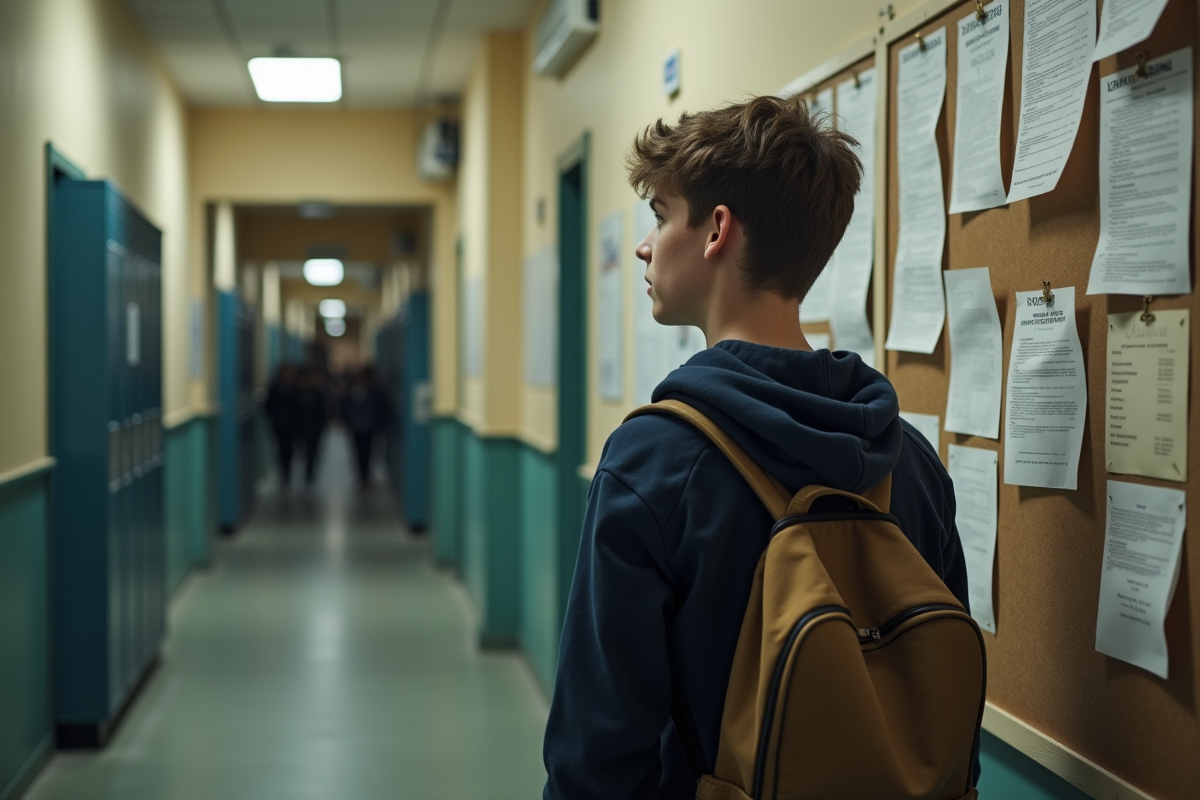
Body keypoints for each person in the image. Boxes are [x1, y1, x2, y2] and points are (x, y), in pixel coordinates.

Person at [542, 96, 974, 799]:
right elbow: (950, 716)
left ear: (716, 230)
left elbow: (598, 755)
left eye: (658, 215)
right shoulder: (911, 461)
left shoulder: (652, 464)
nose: (645, 246)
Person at [339, 366, 390, 488]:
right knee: (359, 453)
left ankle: (365, 477)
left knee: (367, 453)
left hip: (369, 427)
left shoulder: (375, 391)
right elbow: (345, 406)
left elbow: (382, 408)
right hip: (357, 427)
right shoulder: (352, 390)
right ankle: (362, 477)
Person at [263, 364, 301, 486]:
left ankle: (287, 468)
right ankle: (283, 469)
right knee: (280, 447)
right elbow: (268, 406)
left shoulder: (295, 388)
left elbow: (299, 407)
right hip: (279, 424)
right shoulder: (274, 388)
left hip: (292, 424)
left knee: (289, 447)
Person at [296, 366, 329, 486]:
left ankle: (309, 474)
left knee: (312, 452)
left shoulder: (317, 394)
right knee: (301, 451)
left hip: (314, 428)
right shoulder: (296, 393)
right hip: (300, 428)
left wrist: (323, 425)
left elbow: (322, 412)